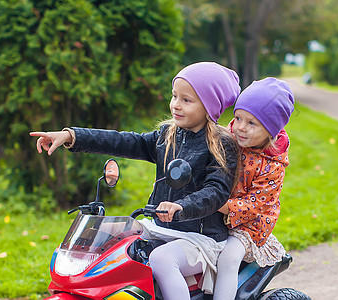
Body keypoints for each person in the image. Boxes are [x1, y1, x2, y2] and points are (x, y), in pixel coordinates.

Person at [30, 62, 240, 300]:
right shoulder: (166, 136)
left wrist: (182, 207)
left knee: (161, 260)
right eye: (174, 96)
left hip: (199, 238)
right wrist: (71, 136)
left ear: (209, 106)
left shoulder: (221, 145)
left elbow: (216, 191)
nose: (176, 105)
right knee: (111, 251)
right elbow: (122, 141)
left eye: (186, 100)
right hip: (159, 228)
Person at [214, 77, 294, 300]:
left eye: (251, 123)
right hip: (217, 210)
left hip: (249, 224)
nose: (240, 127)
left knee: (229, 258)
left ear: (270, 130)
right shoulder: (227, 137)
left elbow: (254, 205)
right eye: (238, 117)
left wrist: (218, 204)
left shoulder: (272, 165)